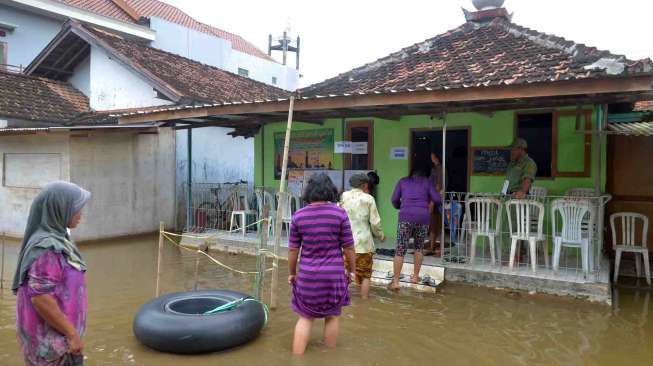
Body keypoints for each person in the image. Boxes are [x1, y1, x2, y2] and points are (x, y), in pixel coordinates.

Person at [12, 181, 91, 366]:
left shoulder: (58, 239)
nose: (80, 214)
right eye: (76, 209)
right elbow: (40, 297)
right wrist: (72, 335)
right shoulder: (47, 248)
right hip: (53, 348)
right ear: (60, 209)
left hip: (61, 341)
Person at [287, 173, 356, 355]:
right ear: (330, 191)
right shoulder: (340, 214)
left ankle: (297, 358)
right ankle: (329, 357)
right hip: (334, 275)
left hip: (308, 275)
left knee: (305, 317)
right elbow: (349, 247)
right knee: (332, 316)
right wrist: (352, 271)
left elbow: (293, 250)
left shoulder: (298, 216)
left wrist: (292, 273)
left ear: (308, 191)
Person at [390, 160, 440, 290]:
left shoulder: (403, 181)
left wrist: (401, 207)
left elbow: (394, 200)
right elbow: (437, 199)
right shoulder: (427, 182)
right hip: (422, 218)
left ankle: (395, 281)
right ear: (425, 173)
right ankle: (415, 277)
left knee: (400, 249)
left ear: (411, 172)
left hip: (405, 217)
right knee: (418, 248)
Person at [340, 174, 385, 299]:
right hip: (363, 245)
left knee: (345, 271)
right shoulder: (369, 199)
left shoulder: (344, 196)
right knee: (365, 275)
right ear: (365, 185)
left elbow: (339, 215)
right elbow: (375, 222)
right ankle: (364, 302)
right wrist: (381, 236)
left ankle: (342, 299)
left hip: (346, 243)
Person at [427, 152, 446, 257]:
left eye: (433, 157)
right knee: (434, 224)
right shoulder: (435, 169)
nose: (432, 159)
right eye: (431, 157)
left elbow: (439, 186)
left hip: (437, 200)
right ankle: (432, 246)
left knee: (438, 224)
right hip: (434, 198)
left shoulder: (440, 169)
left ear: (437, 158)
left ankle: (436, 248)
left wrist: (432, 202)